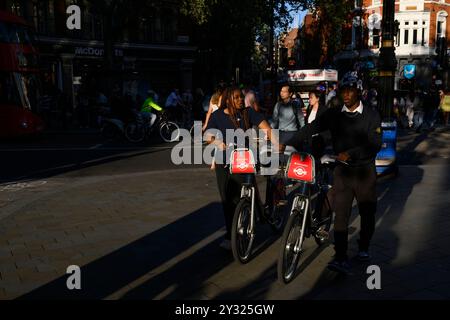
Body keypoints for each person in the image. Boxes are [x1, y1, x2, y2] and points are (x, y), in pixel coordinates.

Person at [280, 78, 382, 274]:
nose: (346, 94)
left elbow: (374, 143)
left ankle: (363, 247)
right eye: (343, 90)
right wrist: (290, 142)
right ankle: (341, 257)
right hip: (342, 172)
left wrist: (351, 153)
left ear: (358, 92)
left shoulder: (371, 115)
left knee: (367, 214)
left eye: (350, 90)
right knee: (341, 214)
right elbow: (312, 127)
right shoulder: (335, 114)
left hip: (364, 172)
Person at [205, 87, 279, 250]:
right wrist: (218, 143)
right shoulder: (217, 116)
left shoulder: (248, 113)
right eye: (237, 97)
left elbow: (266, 128)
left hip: (243, 159)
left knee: (239, 197)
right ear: (228, 99)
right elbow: (208, 136)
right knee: (227, 200)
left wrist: (276, 143)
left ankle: (248, 219)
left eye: (241, 97)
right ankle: (231, 234)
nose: (240, 100)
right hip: (223, 162)